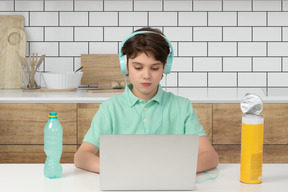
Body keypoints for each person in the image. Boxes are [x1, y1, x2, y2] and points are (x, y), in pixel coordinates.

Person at [74, 27, 219, 173]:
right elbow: (81, 156)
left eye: (154, 68)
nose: (146, 75)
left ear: (165, 68)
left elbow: (210, 156)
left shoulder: (182, 106)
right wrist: (117, 169)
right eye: (138, 67)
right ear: (125, 67)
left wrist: (177, 170)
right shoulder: (110, 109)